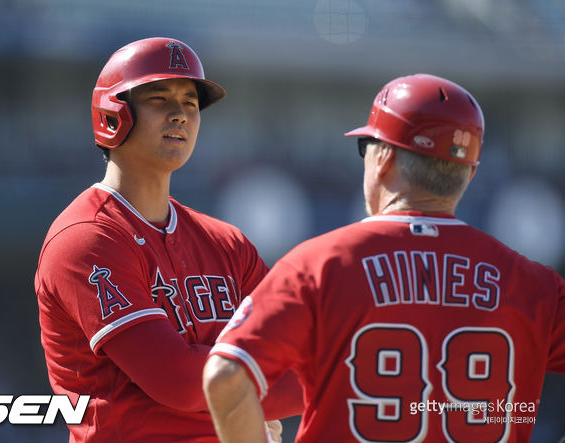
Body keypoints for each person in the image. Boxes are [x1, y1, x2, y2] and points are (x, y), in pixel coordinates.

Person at [203, 73, 565, 442]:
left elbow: (225, 377)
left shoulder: (319, 266)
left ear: (384, 158)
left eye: (367, 147)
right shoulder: (535, 284)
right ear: (469, 173)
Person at [35, 37, 302, 442]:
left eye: (191, 103)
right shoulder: (87, 238)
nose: (180, 114)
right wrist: (262, 384)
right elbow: (178, 382)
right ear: (113, 114)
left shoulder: (227, 244)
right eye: (159, 98)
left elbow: (300, 355)